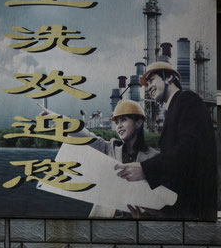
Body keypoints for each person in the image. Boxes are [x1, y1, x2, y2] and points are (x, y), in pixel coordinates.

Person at [115, 61, 217, 221]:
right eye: (146, 83)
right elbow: (178, 170)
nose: (149, 87)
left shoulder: (187, 100)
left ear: (169, 77)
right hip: (184, 212)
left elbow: (188, 150)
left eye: (152, 80)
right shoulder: (174, 109)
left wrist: (145, 168)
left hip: (196, 215)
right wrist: (156, 210)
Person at [38, 100, 158, 218]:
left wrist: (146, 217)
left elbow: (162, 200)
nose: (119, 126)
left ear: (138, 122)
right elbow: (84, 135)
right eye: (116, 122)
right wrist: (58, 118)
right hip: (104, 220)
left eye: (124, 120)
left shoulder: (155, 158)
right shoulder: (109, 148)